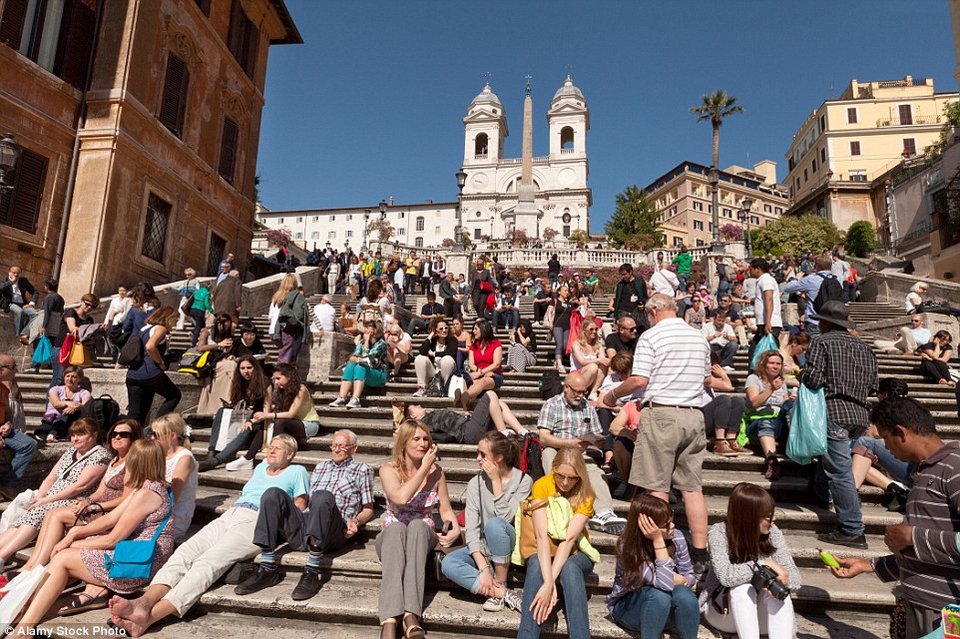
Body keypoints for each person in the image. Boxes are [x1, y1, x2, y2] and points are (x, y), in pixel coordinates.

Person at [109, 435, 310, 637]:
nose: (271, 450)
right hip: (231, 514)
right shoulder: (261, 467)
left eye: (278, 448)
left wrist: (273, 530)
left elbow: (298, 509)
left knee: (208, 562)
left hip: (257, 521)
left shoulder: (297, 471)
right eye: (270, 446)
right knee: (185, 552)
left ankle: (152, 616)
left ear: (290, 454)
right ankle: (144, 602)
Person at [601, 293, 711, 576]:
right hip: (694, 414)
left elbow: (639, 379)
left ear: (652, 312)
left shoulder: (652, 336)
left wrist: (612, 395)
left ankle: (662, 545)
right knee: (692, 488)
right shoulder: (698, 336)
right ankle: (700, 552)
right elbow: (706, 378)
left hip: (662, 412)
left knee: (657, 485)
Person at [831, 396, 960, 638]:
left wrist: (912, 537)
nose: (886, 449)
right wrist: (869, 565)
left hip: (947, 613)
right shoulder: (925, 471)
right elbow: (923, 552)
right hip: (922, 603)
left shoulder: (955, 468)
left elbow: (917, 541)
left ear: (901, 432)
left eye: (885, 439)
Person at [17, 439, 173, 625]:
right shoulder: (146, 488)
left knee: (63, 557)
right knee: (68, 549)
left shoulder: (147, 494)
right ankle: (26, 605)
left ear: (137, 463)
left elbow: (113, 539)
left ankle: (24, 624)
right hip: (135, 554)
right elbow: (110, 519)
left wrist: (71, 543)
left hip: (138, 565)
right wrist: (74, 534)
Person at [234, 429, 375, 600]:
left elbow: (368, 509)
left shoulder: (362, 470)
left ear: (354, 448)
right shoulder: (321, 467)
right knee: (273, 493)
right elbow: (305, 504)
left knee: (322, 496)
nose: (336, 449)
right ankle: (267, 567)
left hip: (334, 530)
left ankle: (311, 571)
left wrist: (356, 521)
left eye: (342, 446)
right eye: (334, 445)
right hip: (307, 526)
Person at [19, 419, 142, 574]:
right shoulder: (114, 460)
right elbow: (99, 493)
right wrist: (87, 500)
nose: (117, 437)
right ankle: (31, 564)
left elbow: (127, 499)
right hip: (97, 508)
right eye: (114, 434)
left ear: (134, 438)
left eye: (124, 434)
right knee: (51, 513)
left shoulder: (132, 463)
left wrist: (93, 506)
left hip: (112, 513)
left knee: (57, 515)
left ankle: (36, 567)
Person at [803, 301, 878, 549]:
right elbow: (874, 386)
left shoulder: (822, 342)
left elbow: (813, 379)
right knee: (832, 458)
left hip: (834, 410)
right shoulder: (865, 347)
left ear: (826, 322)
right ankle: (818, 491)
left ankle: (853, 529)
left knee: (839, 471)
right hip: (860, 415)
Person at [377, 420, 460, 639]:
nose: (422, 444)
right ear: (404, 442)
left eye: (426, 439)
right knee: (396, 528)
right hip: (392, 538)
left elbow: (446, 510)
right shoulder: (388, 470)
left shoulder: (437, 472)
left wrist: (454, 528)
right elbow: (401, 498)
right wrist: (424, 468)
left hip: (422, 534)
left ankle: (410, 614)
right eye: (416, 439)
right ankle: (390, 619)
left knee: (416, 525)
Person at [0, 418, 110, 570]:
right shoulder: (71, 451)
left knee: (39, 510)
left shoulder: (101, 455)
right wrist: (40, 497)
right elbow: (51, 477)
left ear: (94, 435)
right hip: (53, 497)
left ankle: (3, 556)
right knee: (29, 511)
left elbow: (80, 486)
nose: (75, 439)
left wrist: (46, 501)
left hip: (73, 500)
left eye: (80, 434)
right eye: (73, 435)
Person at [440, 431, 530, 612]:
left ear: (499, 458)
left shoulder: (523, 480)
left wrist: (496, 482)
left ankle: (501, 581)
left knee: (495, 525)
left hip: (510, 545)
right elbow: (472, 529)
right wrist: (483, 568)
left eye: (482, 454)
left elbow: (506, 519)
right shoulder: (475, 483)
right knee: (448, 564)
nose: (478, 459)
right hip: (484, 547)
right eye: (477, 453)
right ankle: (501, 593)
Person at [516, 447, 599, 639]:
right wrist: (548, 583)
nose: (565, 482)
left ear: (580, 476)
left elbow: (568, 540)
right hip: (544, 546)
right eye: (560, 476)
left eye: (572, 478)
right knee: (536, 564)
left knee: (570, 568)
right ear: (553, 468)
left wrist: (549, 583)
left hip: (576, 551)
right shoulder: (542, 485)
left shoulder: (586, 493)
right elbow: (541, 537)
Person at [700, 482, 800, 639]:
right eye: (768, 516)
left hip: (761, 614)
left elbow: (796, 579)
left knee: (778, 592)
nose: (773, 519)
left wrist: (782, 580)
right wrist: (762, 565)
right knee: (742, 589)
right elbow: (726, 577)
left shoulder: (773, 533)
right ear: (749, 517)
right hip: (722, 611)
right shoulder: (719, 533)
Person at [538, 371, 627, 535]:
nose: (580, 396)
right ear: (566, 387)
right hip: (556, 449)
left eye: (583, 392)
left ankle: (604, 513)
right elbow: (543, 438)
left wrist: (598, 441)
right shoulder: (551, 404)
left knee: (596, 472)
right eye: (577, 391)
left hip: (580, 452)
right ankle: (557, 504)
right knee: (549, 456)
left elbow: (597, 433)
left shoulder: (588, 406)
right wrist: (570, 443)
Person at [606, 493, 699, 639]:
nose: (672, 526)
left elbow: (689, 574)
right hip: (630, 609)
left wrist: (685, 580)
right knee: (659, 596)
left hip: (665, 610)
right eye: (665, 525)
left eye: (671, 521)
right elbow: (664, 584)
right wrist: (658, 541)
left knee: (685, 596)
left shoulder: (677, 536)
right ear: (647, 527)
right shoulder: (628, 547)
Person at [230, 363, 320, 471]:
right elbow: (277, 410)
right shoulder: (282, 390)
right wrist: (252, 420)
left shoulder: (301, 389)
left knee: (280, 422)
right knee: (266, 423)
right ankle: (248, 458)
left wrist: (267, 414)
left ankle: (271, 455)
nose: (276, 382)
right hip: (291, 423)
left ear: (289, 376)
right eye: (274, 379)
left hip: (309, 424)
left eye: (278, 378)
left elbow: (290, 414)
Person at [200, 356, 268, 472]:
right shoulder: (239, 382)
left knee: (247, 427)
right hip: (240, 419)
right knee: (221, 411)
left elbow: (266, 413)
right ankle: (211, 451)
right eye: (242, 368)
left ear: (255, 368)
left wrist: (251, 421)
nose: (246, 371)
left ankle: (216, 460)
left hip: (257, 423)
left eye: (249, 368)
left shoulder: (265, 383)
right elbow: (233, 401)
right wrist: (229, 405)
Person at [125, 307, 181, 427]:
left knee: (136, 413)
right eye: (175, 320)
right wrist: (161, 362)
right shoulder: (161, 328)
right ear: (169, 318)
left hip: (133, 374)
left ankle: (128, 434)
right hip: (150, 373)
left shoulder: (144, 328)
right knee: (174, 395)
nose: (175, 324)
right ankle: (157, 427)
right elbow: (150, 346)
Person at [147, 414, 197, 544]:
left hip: (173, 514)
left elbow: (172, 497)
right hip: (153, 507)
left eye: (156, 435)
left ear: (172, 436)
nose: (152, 438)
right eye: (152, 434)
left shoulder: (184, 458)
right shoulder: (159, 453)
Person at [745, 350, 792, 480]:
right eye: (772, 363)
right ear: (764, 364)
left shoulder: (781, 382)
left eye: (778, 364)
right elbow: (754, 403)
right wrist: (771, 389)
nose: (775, 366)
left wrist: (790, 399)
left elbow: (785, 403)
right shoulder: (754, 379)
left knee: (790, 405)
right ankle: (772, 461)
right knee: (765, 422)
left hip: (778, 421)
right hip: (756, 422)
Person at [0, 355, 37, 499]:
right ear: (1, 369)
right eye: (13, 367)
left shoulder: (4, 389)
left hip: (3, 429)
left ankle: (8, 485)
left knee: (29, 444)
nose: (16, 370)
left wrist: (8, 423)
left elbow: (8, 412)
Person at [330, 320, 388, 409]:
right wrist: (359, 359)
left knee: (360, 366)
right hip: (365, 372)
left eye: (368, 327)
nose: (365, 330)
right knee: (350, 365)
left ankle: (355, 399)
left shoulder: (381, 344)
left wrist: (366, 342)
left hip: (378, 374)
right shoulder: (361, 342)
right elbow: (353, 357)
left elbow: (367, 356)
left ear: (375, 330)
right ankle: (341, 398)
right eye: (365, 327)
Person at [783, 254, 842, 336]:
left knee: (814, 343)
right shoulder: (838, 279)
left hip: (814, 321)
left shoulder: (811, 279)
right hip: (832, 321)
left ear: (817, 266)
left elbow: (788, 288)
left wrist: (795, 278)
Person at [703, 355, 750, 457]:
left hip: (713, 421)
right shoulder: (702, 377)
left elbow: (728, 386)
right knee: (723, 399)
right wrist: (723, 374)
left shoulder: (710, 379)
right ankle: (719, 441)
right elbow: (728, 386)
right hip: (700, 420)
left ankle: (731, 440)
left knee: (738, 401)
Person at [51, 293, 99, 388]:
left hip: (76, 351)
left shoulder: (89, 319)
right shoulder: (71, 313)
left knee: (71, 380)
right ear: (81, 302)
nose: (89, 307)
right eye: (87, 304)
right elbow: (72, 328)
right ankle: (51, 397)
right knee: (59, 379)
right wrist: (90, 329)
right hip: (62, 348)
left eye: (92, 306)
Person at [34, 365, 92, 443]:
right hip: (51, 419)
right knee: (44, 428)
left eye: (74, 377)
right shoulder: (55, 389)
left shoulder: (84, 392)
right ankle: (43, 436)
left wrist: (74, 408)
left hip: (69, 421)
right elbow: (56, 403)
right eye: (67, 376)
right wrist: (69, 403)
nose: (70, 379)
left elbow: (86, 406)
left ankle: (53, 433)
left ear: (79, 379)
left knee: (68, 414)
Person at [460, 319, 503, 409]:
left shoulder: (496, 344)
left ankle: (463, 397)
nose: (473, 331)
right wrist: (479, 372)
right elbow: (471, 364)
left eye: (476, 329)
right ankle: (466, 404)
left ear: (483, 329)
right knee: (472, 381)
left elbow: (496, 364)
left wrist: (481, 373)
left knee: (483, 381)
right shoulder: (473, 346)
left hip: (494, 375)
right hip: (478, 374)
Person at [747, 258, 783, 362]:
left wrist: (768, 322)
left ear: (758, 269)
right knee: (755, 352)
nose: (749, 272)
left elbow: (769, 299)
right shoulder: (762, 280)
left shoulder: (766, 280)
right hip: (763, 323)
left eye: (751, 269)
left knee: (765, 354)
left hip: (769, 323)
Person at [412, 319, 458, 397]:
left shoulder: (452, 340)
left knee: (447, 359)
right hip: (434, 373)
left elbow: (451, 353)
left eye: (446, 328)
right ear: (436, 331)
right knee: (420, 358)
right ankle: (421, 388)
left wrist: (433, 353)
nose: (444, 330)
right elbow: (422, 351)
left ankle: (446, 389)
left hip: (447, 373)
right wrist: (430, 337)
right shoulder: (433, 342)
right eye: (441, 329)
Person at [273, 274, 310, 365]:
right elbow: (299, 313)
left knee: (284, 355)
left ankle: (281, 372)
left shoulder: (277, 296)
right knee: (289, 357)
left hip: (277, 329)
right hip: (291, 329)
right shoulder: (296, 295)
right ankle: (281, 373)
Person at [570, 321, 609, 400]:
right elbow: (582, 361)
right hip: (577, 375)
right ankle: (581, 392)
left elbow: (602, 359)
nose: (594, 331)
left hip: (593, 376)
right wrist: (598, 359)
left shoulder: (598, 345)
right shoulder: (576, 344)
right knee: (593, 366)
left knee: (603, 365)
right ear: (584, 331)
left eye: (596, 329)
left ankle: (593, 393)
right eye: (591, 329)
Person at [1, 265, 36, 339]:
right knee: (19, 311)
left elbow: (35, 292)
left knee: (34, 314)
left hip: (23, 304)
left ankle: (25, 333)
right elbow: (1, 288)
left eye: (18, 273)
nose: (16, 274)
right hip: (11, 303)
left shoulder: (23, 281)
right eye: (14, 273)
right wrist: (11, 282)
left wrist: (31, 303)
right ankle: (19, 334)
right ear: (9, 273)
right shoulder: (5, 280)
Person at [550, 284, 576, 373]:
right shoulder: (555, 301)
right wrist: (550, 322)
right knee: (559, 344)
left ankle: (557, 359)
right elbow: (549, 311)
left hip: (567, 326)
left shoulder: (569, 303)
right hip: (557, 325)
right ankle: (560, 364)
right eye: (564, 290)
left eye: (567, 290)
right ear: (559, 292)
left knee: (565, 346)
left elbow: (574, 312)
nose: (566, 292)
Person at [187, 282, 213, 348]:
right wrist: (212, 311)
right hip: (200, 310)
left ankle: (193, 332)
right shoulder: (207, 293)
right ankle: (194, 342)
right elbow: (207, 304)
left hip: (192, 309)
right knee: (199, 326)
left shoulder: (197, 291)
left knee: (199, 325)